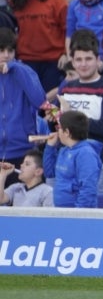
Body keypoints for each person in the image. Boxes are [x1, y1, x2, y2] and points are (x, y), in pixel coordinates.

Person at [57, 30, 103, 193]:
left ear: (98, 59)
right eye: (78, 59)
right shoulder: (67, 88)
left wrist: (73, 118)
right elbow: (60, 126)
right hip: (66, 163)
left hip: (96, 164)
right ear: (72, 60)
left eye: (88, 59)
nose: (83, 64)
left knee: (91, 215)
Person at [8, 0, 67, 92]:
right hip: (26, 62)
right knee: (28, 104)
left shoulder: (56, 0)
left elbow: (69, 30)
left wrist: (65, 53)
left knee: (50, 107)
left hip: (53, 62)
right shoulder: (14, 2)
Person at [0, 28, 46, 183]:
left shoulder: (25, 71)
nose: (6, 55)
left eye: (10, 50)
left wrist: (17, 68)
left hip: (23, 153)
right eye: (1, 50)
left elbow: (40, 102)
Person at [42, 110, 102, 208]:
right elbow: (49, 173)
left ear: (67, 132)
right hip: (61, 211)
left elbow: (88, 188)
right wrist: (50, 147)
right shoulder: (64, 151)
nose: (57, 131)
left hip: (75, 215)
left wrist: (77, 215)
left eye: (59, 128)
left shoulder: (86, 154)